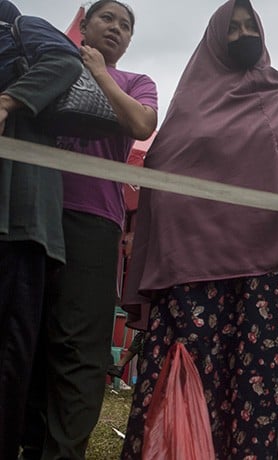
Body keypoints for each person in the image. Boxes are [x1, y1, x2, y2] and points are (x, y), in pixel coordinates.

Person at [119, 1, 278, 458]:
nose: (241, 35)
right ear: (215, 39)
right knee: (189, 381)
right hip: (192, 271)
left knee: (255, 386)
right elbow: (163, 167)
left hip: (266, 272)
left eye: (248, 26)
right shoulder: (191, 101)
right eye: (231, 29)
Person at [17, 1, 158, 458]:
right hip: (32, 210)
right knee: (27, 333)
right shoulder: (50, 62)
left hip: (95, 221)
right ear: (85, 24)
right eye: (107, 18)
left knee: (80, 347)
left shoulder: (136, 82)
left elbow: (142, 123)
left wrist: (98, 71)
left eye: (125, 25)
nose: (116, 28)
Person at [0, 2, 83, 457]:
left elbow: (65, 60)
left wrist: (7, 101)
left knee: (8, 357)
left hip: (19, 220)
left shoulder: (21, 26)